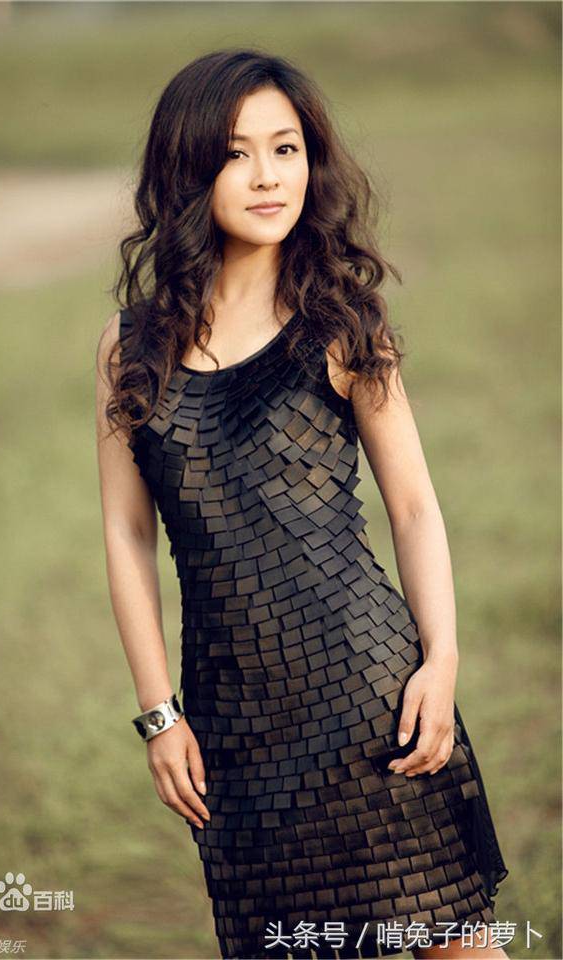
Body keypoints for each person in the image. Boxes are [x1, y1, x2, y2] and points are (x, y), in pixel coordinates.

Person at [96, 49, 510, 960]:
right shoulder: (131, 347)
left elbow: (414, 507)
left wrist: (440, 660)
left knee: (457, 946)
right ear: (188, 170)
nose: (267, 176)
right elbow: (126, 534)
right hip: (233, 724)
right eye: (236, 153)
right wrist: (159, 712)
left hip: (371, 699)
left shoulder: (341, 324)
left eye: (285, 149)